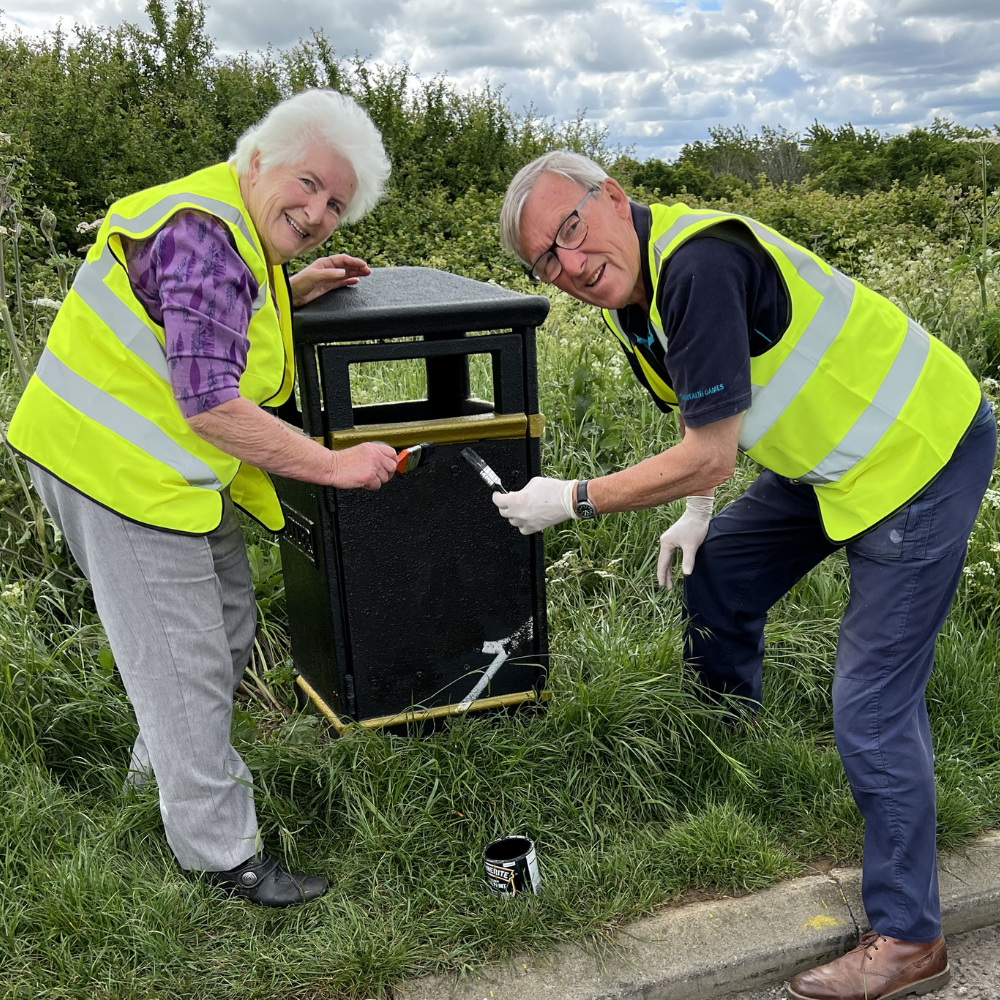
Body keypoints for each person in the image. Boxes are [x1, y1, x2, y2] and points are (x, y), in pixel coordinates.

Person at [495, 149, 996, 999]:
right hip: (832, 459)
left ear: (613, 197)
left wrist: (571, 500)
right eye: (547, 259)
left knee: (872, 706)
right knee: (717, 571)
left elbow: (705, 452)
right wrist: (698, 516)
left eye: (571, 231)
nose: (569, 265)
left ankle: (912, 939)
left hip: (917, 451)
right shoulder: (636, 295)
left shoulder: (696, 264)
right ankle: (732, 749)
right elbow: (712, 419)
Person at [8, 89, 399, 908]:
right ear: (257, 158)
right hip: (111, 469)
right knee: (184, 660)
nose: (319, 211)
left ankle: (157, 775)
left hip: (154, 472)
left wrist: (290, 292)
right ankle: (222, 858)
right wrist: (335, 467)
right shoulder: (207, 239)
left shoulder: (234, 236)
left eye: (336, 204)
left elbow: (208, 319)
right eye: (310, 183)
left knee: (225, 621)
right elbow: (212, 401)